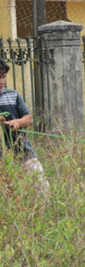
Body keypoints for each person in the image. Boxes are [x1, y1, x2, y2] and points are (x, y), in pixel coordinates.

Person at [0, 59, 49, 195]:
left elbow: (29, 118)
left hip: (23, 152)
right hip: (2, 158)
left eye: (3, 77)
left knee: (42, 188)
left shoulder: (13, 95)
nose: (1, 82)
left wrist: (17, 123)